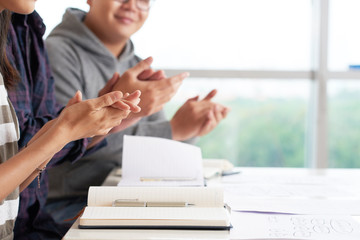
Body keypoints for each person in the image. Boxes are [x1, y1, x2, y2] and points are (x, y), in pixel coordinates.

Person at [45, 0, 230, 223]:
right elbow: (64, 146)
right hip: (70, 207)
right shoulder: (56, 52)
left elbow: (156, 150)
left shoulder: (137, 64)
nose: (131, 5)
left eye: (143, 0)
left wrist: (190, 128)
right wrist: (174, 129)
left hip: (125, 198)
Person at [0, 1, 141, 240]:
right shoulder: (58, 48)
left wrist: (63, 129)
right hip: (46, 214)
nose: (132, 6)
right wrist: (64, 130)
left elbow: (11, 190)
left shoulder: (25, 28)